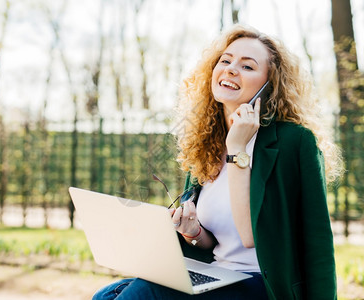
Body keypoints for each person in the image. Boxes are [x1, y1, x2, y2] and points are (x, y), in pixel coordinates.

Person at [92, 25, 343, 300]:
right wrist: (194, 233)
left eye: (247, 67)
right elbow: (213, 243)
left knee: (144, 293)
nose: (232, 69)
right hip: (216, 276)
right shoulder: (205, 144)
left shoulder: (295, 142)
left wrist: (236, 149)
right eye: (225, 60)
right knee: (108, 294)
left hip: (263, 286)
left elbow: (308, 241)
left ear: (269, 85)